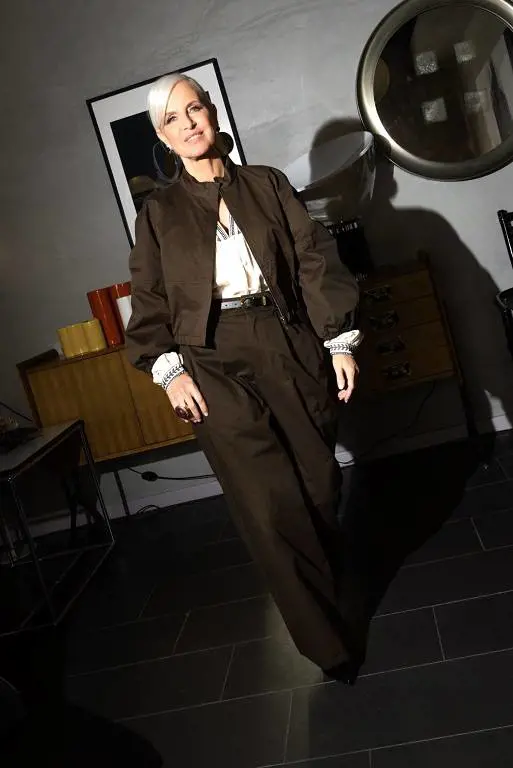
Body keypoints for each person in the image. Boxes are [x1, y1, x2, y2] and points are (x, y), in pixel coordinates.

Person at [125, 72, 364, 680]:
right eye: (173, 119)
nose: (188, 124)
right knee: (268, 503)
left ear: (211, 112)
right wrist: (167, 371)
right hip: (209, 358)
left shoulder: (267, 184)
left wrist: (337, 339)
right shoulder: (158, 213)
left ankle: (332, 595)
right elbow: (149, 297)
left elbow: (312, 257)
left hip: (285, 339)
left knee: (318, 486)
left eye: (194, 109)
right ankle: (328, 646)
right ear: (163, 137)